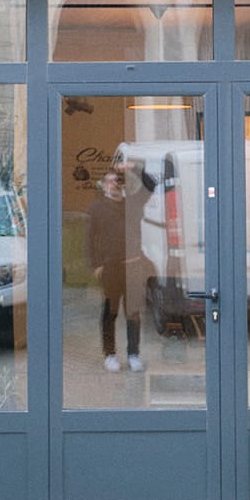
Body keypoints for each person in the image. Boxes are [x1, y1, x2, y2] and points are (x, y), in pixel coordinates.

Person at [87, 159, 155, 372]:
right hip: (111, 269)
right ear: (103, 185)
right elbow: (89, 240)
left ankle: (133, 355)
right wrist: (96, 265)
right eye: (109, 182)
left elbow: (151, 184)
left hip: (133, 266)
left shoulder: (133, 204)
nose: (113, 185)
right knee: (110, 312)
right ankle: (110, 355)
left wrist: (133, 168)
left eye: (117, 181)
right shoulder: (97, 209)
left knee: (133, 312)